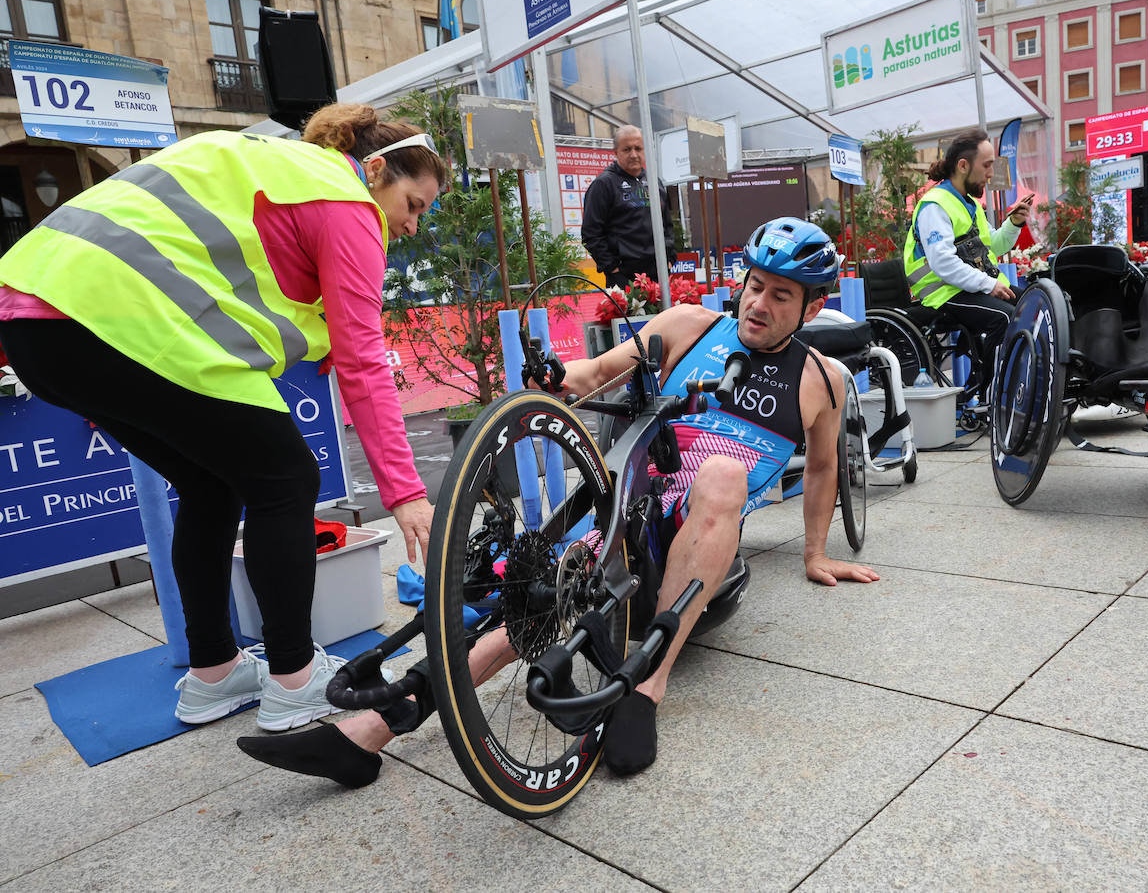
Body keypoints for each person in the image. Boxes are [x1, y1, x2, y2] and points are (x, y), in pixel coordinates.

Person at [234, 217, 881, 787]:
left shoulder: (825, 380)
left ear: (813, 306)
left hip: (710, 548)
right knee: (539, 600)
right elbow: (596, 375)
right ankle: (371, 731)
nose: (759, 303)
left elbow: (824, 468)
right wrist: (554, 380)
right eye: (755, 285)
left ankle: (647, 687)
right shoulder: (691, 327)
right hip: (638, 503)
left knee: (722, 477)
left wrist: (815, 554)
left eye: (781, 295)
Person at [0, 105, 447, 732]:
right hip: (113, 319)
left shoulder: (277, 165)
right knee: (287, 479)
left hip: (39, 321)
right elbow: (364, 361)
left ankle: (213, 672)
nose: (411, 224)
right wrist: (405, 493)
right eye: (414, 203)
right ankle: (294, 679)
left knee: (212, 484)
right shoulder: (347, 200)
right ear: (375, 170)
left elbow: (249, 283)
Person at [903, 129, 1032, 383]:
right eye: (986, 166)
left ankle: (1022, 383)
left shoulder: (970, 204)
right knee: (1005, 317)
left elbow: (992, 245)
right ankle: (990, 392)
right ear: (963, 165)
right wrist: (988, 284)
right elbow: (943, 263)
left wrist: (1014, 223)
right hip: (942, 292)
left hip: (966, 287)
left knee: (1035, 302)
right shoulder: (935, 205)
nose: (991, 174)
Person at [581, 124, 674, 289]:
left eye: (638, 148)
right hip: (624, 276)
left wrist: (669, 259)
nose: (634, 154)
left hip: (658, 273)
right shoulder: (603, 184)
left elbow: (667, 224)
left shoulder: (655, 182)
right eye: (627, 149)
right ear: (616, 152)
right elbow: (591, 234)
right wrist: (612, 268)